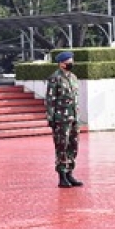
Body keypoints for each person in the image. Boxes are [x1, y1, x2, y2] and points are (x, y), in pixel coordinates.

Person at [46, 51, 82, 188]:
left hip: (73, 118)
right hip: (61, 119)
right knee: (62, 146)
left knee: (73, 145)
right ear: (61, 63)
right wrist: (51, 118)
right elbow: (50, 100)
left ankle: (70, 173)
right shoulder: (55, 78)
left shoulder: (73, 77)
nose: (71, 64)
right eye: (68, 61)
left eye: (71, 61)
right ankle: (62, 176)